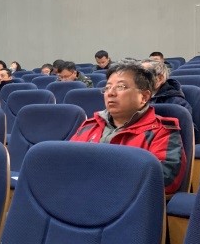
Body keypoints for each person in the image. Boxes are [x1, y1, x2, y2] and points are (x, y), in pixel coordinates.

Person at [70, 61, 186, 195]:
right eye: (107, 88)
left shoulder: (161, 131)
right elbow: (66, 163)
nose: (110, 93)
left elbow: (165, 179)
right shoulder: (89, 125)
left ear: (144, 97)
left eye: (121, 87)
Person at [141, 59, 195, 133]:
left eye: (143, 76)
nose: (137, 80)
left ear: (159, 78)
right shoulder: (134, 98)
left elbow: (187, 133)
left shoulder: (177, 103)